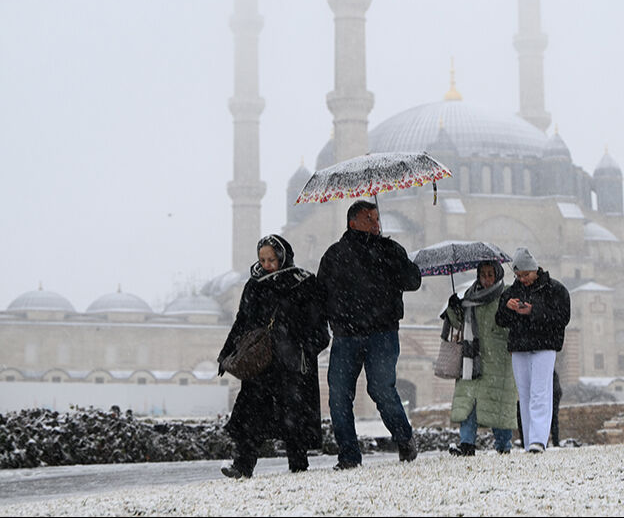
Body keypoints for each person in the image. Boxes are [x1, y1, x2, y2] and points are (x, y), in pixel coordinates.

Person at [317, 200, 423, 470]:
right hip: (346, 335)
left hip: (382, 333)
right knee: (339, 396)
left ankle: (404, 438)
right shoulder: (335, 255)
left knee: (380, 389)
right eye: (369, 219)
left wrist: (393, 257)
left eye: (377, 219)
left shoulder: (389, 250)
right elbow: (320, 296)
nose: (376, 224)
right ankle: (349, 456)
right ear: (353, 222)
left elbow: (413, 281)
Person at [217, 234, 330, 478]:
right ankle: (243, 465)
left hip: (293, 364)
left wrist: (304, 351)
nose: (266, 265)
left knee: (294, 415)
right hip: (262, 363)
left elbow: (320, 325)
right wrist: (227, 353)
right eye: (262, 259)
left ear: (283, 256)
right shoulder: (255, 284)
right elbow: (243, 322)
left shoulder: (303, 282)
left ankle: (298, 466)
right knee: (252, 412)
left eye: (271, 259)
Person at [496, 247, 570, 454]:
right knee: (525, 395)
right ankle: (529, 441)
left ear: (535, 270)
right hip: (519, 347)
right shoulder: (511, 292)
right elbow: (500, 320)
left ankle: (539, 439)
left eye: (525, 275)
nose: (522, 279)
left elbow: (562, 318)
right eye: (518, 275)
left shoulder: (555, 289)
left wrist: (533, 311)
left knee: (540, 392)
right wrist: (507, 308)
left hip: (545, 346)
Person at [441, 260, 517, 456]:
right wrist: (454, 307)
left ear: (498, 274)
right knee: (469, 404)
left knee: (496, 405)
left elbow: (515, 323)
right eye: (483, 275)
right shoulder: (470, 296)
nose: (486, 279)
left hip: (498, 361)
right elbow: (459, 323)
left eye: (490, 274)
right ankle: (466, 444)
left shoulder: (507, 294)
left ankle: (503, 446)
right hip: (471, 360)